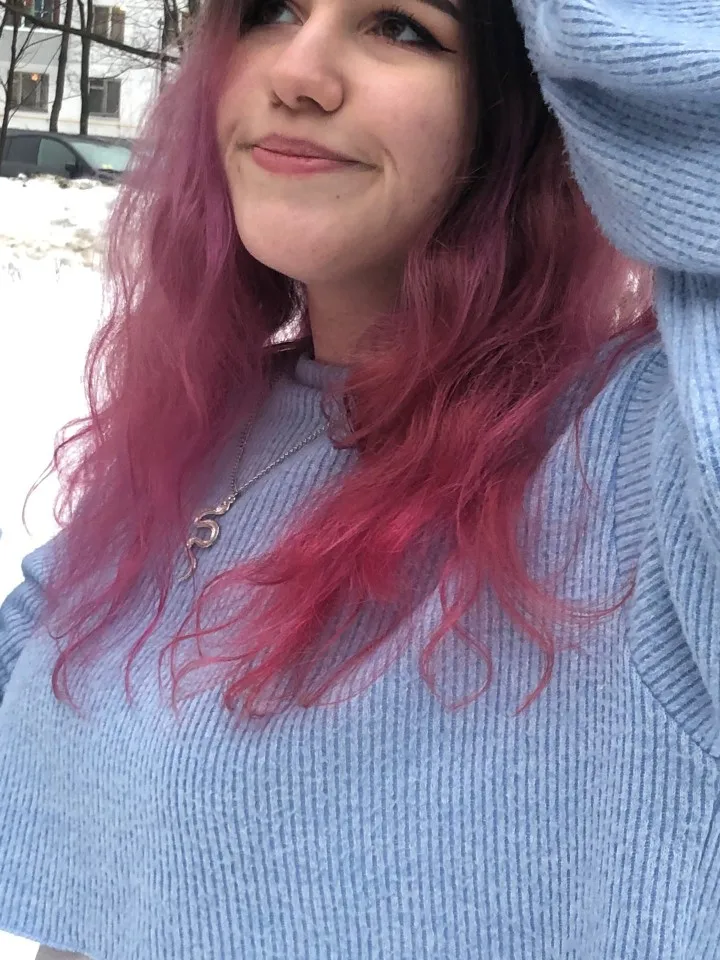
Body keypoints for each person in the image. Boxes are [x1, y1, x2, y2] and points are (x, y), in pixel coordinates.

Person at [0, 0, 718, 957]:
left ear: (527, 106)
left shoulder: (639, 460)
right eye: (270, 12)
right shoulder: (210, 429)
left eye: (399, 27)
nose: (297, 73)